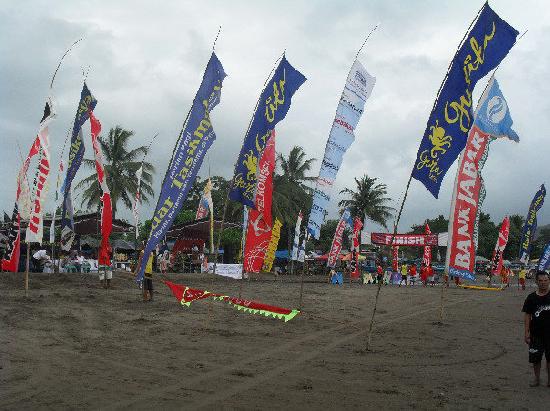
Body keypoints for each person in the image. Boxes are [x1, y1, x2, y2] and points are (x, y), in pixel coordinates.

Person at [522, 270, 550, 387]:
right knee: (535, 358)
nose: (543, 283)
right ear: (536, 282)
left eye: (546, 280)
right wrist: (526, 332)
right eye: (541, 281)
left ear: (549, 281)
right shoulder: (531, 298)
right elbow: (527, 315)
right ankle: (537, 379)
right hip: (536, 333)